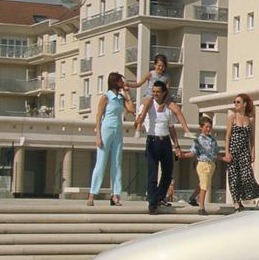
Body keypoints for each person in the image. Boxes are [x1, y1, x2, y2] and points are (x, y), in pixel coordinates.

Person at [135, 80, 190, 215]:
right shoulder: (147, 105)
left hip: (165, 141)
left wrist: (177, 145)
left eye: (158, 92)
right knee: (152, 173)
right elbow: (138, 119)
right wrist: (138, 123)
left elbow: (171, 128)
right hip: (152, 140)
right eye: (153, 92)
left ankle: (159, 197)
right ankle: (152, 204)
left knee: (168, 172)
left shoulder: (168, 108)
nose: (155, 94)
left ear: (164, 93)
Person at [87, 72, 135, 206]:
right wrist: (98, 135)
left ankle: (115, 195)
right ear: (115, 82)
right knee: (101, 163)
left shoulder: (120, 98)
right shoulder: (106, 97)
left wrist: (127, 93)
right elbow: (98, 116)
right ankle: (92, 194)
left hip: (118, 132)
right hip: (106, 130)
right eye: (121, 81)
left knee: (117, 163)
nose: (123, 83)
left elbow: (131, 109)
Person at [225, 93, 259, 212]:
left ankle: (257, 196)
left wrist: (253, 152)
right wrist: (227, 152)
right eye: (234, 102)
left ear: (244, 104)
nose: (235, 104)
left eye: (238, 102)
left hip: (244, 151)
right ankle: (237, 203)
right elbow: (227, 136)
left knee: (247, 176)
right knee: (234, 177)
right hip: (233, 150)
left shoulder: (250, 119)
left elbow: (252, 138)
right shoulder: (231, 118)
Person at [180, 115, 224, 215]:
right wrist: (182, 155)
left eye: (210, 127)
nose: (208, 129)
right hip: (202, 164)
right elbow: (193, 152)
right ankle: (201, 208)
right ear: (201, 127)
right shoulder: (198, 139)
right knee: (204, 186)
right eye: (206, 127)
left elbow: (215, 154)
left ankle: (192, 198)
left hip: (211, 165)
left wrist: (224, 158)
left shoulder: (213, 140)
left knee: (202, 184)